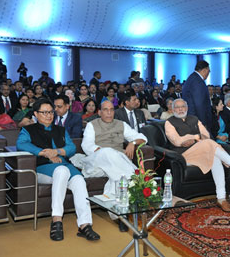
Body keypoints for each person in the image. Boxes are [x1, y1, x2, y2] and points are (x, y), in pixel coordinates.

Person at [16, 99, 100, 241]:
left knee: (79, 180)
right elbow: (21, 144)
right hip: (43, 169)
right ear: (36, 114)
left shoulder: (60, 129)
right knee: (62, 170)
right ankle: (56, 220)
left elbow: (71, 147)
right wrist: (44, 153)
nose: (49, 115)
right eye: (44, 112)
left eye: (50, 112)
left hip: (63, 166)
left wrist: (57, 151)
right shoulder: (28, 130)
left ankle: (85, 224)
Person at [165, 99, 230, 212]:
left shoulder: (194, 119)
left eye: (183, 107)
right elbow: (177, 141)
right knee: (209, 144)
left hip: (202, 151)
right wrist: (196, 137)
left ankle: (221, 198)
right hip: (184, 155)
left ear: (187, 108)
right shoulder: (169, 122)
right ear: (173, 109)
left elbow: (206, 135)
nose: (180, 109)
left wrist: (193, 138)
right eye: (178, 107)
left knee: (215, 157)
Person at [80, 100, 147, 231]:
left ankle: (120, 214)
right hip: (96, 162)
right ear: (99, 112)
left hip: (116, 163)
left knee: (117, 176)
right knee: (108, 152)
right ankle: (137, 179)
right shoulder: (91, 125)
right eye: (105, 109)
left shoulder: (121, 124)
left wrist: (132, 143)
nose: (109, 112)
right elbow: (86, 146)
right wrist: (107, 153)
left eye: (111, 109)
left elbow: (142, 137)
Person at [182, 60, 213, 132]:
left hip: (192, 119)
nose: (208, 74)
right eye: (209, 71)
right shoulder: (198, 81)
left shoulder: (192, 78)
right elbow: (199, 104)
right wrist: (203, 123)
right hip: (197, 122)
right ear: (205, 70)